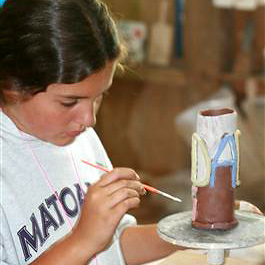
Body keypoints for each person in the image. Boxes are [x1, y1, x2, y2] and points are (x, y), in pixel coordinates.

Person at [0, 0, 180, 264]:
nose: (89, 119)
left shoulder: (76, 135)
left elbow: (111, 247)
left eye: (99, 96)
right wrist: (82, 241)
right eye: (69, 102)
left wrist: (186, 232)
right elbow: (91, 242)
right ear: (12, 86)